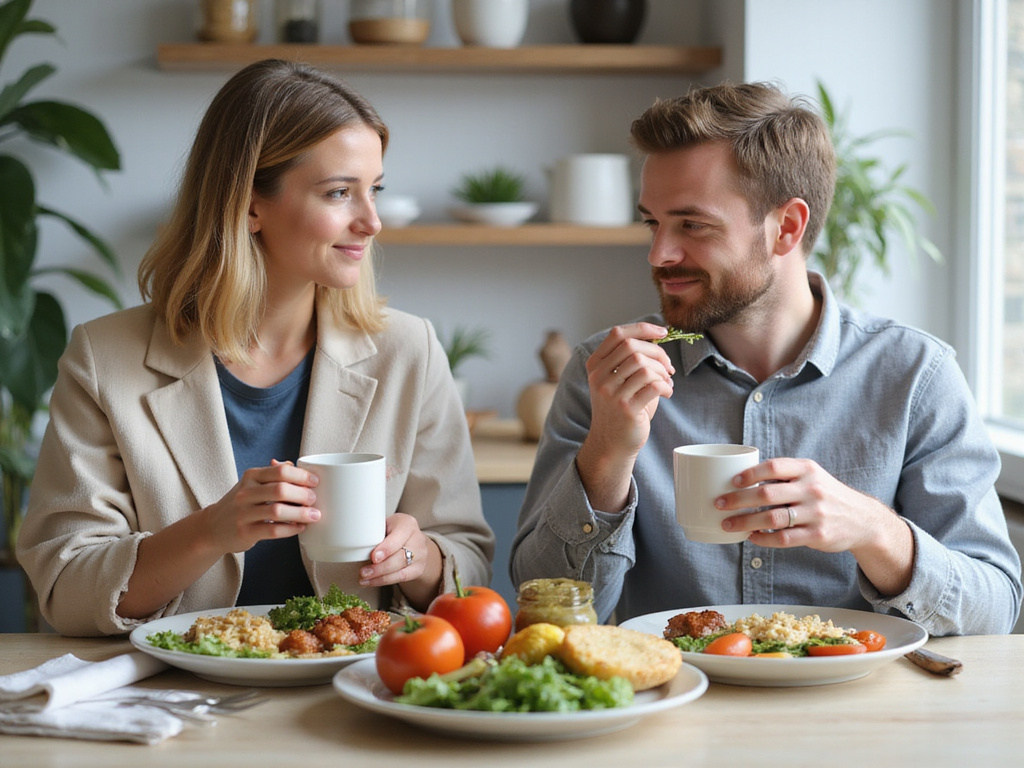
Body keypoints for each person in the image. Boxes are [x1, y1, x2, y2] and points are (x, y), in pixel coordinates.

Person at [510, 81, 1023, 636]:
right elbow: (541, 608)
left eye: (692, 225)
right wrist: (607, 452)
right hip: (674, 706)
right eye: (653, 223)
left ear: (787, 227)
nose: (660, 254)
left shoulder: (915, 375)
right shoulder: (605, 373)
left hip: (863, 714)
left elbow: (994, 609)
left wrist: (876, 530)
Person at [17, 59, 495, 636]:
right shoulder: (104, 359)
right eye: (340, 193)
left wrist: (421, 560)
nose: (371, 221)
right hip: (170, 697)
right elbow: (65, 588)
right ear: (248, 205)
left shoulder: (408, 350)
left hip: (352, 689)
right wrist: (211, 531)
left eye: (375, 191)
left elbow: (468, 559)